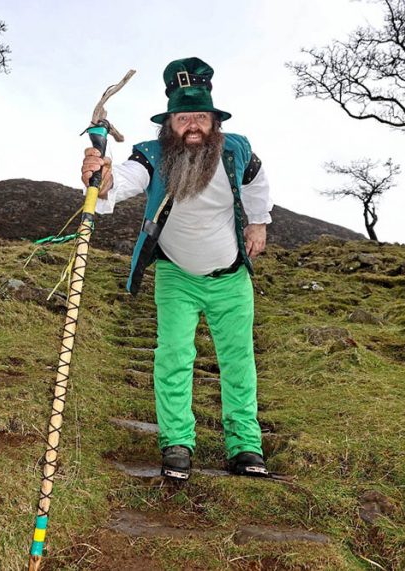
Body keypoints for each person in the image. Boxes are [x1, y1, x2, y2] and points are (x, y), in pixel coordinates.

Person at [81, 57, 273, 480]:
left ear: (213, 121)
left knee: (239, 361)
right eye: (183, 117)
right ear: (169, 123)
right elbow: (126, 179)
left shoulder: (237, 150)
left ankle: (245, 447)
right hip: (176, 277)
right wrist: (103, 177)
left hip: (230, 278)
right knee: (172, 358)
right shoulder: (152, 156)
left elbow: (258, 181)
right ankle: (177, 444)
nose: (192, 126)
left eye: (200, 117)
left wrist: (258, 222)